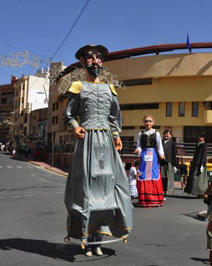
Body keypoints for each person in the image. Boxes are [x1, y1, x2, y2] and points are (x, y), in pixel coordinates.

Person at [63, 44, 132, 257]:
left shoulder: (110, 89)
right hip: (88, 142)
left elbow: (114, 118)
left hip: (106, 146)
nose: (95, 61)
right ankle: (87, 237)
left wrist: (116, 135)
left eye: (98, 57)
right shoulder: (77, 87)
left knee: (109, 188)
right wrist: (76, 127)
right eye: (91, 57)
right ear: (83, 62)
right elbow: (69, 115)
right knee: (88, 190)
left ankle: (99, 238)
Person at [134, 115, 165, 207]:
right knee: (143, 175)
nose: (148, 123)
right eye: (146, 121)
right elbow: (139, 145)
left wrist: (162, 155)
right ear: (144, 122)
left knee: (153, 174)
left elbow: (159, 146)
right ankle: (144, 199)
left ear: (153, 122)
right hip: (144, 156)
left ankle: (155, 199)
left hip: (153, 156)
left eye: (150, 121)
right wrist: (138, 150)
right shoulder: (140, 133)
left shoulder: (157, 133)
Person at [161, 129, 177, 199]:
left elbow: (174, 154)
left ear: (170, 135)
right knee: (161, 177)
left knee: (167, 177)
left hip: (169, 162)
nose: (167, 135)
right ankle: (160, 191)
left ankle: (165, 192)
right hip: (161, 162)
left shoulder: (172, 143)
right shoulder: (160, 142)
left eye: (168, 134)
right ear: (163, 134)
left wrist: (175, 165)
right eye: (166, 133)